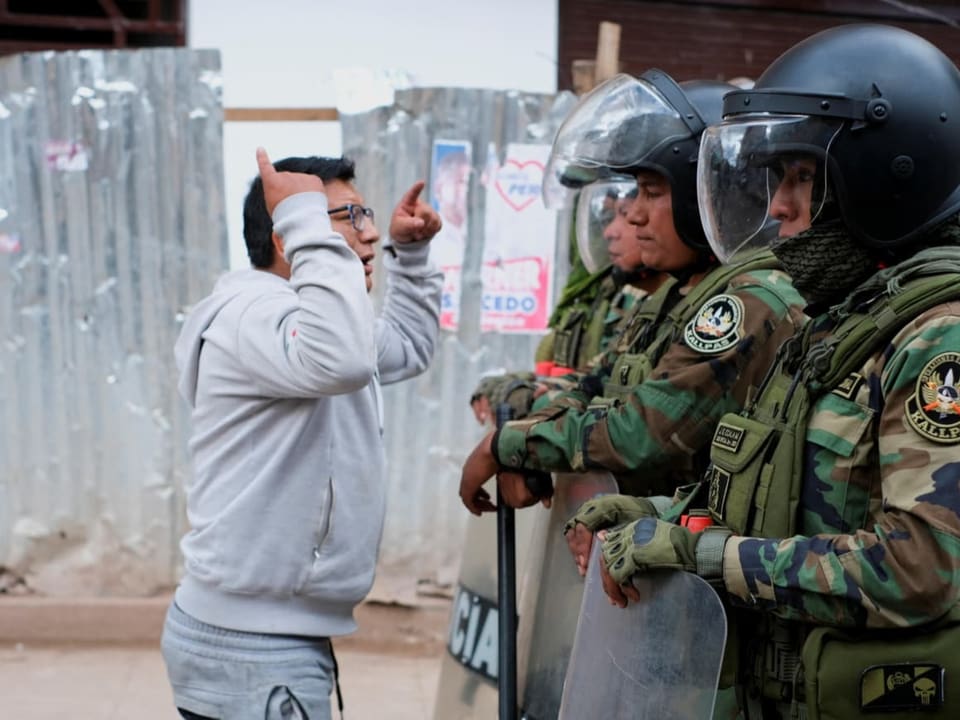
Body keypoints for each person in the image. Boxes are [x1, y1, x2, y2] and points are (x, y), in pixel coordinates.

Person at [585, 24, 960, 720]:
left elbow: (917, 571)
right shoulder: (841, 319)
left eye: (801, 178)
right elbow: (789, 498)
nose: (779, 206)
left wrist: (704, 555)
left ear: (884, 173)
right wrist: (665, 517)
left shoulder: (940, 339)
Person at [160, 149, 443, 720]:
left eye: (366, 215)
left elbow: (406, 346)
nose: (367, 236)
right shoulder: (254, 315)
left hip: (271, 643)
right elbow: (341, 360)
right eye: (347, 218)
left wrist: (410, 256)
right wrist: (305, 220)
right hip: (249, 649)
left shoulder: (317, 322)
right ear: (291, 234)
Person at [458, 70, 808, 518]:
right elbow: (592, 385)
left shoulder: (752, 300)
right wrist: (530, 444)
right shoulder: (676, 296)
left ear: (712, 193)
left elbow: (640, 432)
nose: (635, 216)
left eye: (651, 192)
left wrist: (507, 445)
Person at [469, 180, 658, 426]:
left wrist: (522, 399)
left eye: (623, 214)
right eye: (610, 215)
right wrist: (509, 387)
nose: (609, 231)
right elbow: (594, 377)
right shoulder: (607, 293)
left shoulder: (662, 302)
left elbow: (618, 409)